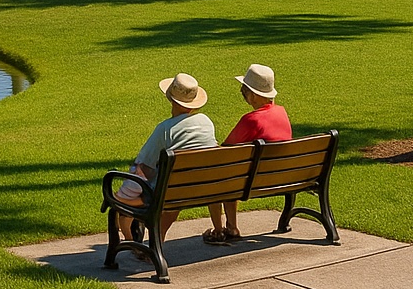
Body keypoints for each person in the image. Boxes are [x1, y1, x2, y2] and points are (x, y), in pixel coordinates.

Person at [113, 73, 216, 241]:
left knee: (138, 175)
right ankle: (156, 240)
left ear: (171, 99)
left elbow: (144, 166)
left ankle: (129, 234)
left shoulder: (165, 129)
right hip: (199, 188)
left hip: (168, 193)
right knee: (173, 193)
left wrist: (122, 195)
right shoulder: (206, 122)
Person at [209, 64, 292, 244]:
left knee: (223, 175)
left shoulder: (251, 120)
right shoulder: (282, 113)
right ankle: (231, 226)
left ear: (252, 95)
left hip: (250, 182)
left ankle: (225, 228)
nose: (243, 94)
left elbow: (226, 151)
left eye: (244, 90)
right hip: (283, 177)